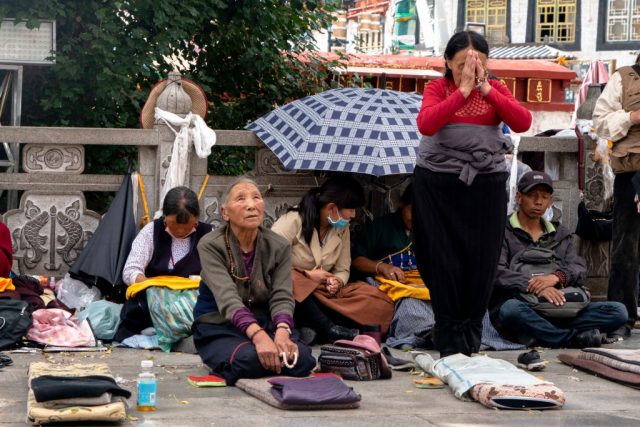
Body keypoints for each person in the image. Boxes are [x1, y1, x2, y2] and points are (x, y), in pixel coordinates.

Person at [413, 30, 532, 357]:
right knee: (441, 260)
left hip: (485, 187)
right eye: (462, 63)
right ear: (448, 62)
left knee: (480, 262)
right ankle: (448, 339)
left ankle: (470, 341)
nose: (469, 68)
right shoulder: (438, 88)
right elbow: (427, 124)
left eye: (476, 62)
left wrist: (485, 90)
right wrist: (463, 91)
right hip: (438, 186)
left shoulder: (496, 89)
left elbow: (522, 122)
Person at [192, 178, 315, 385]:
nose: (251, 205)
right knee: (247, 360)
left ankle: (270, 354)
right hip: (221, 324)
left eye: (256, 198)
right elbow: (228, 299)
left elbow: (282, 294)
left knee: (302, 359)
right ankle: (259, 356)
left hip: (266, 323)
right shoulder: (210, 245)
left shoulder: (279, 246)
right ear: (225, 213)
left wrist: (283, 332)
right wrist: (259, 338)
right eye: (241, 199)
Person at [491, 171, 627, 348]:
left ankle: (543, 333)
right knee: (509, 310)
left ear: (550, 202)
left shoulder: (560, 234)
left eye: (544, 197)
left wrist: (556, 278)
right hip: (526, 306)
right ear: (518, 197)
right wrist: (534, 286)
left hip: (562, 306)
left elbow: (578, 267)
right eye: (532, 196)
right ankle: (571, 338)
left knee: (618, 312)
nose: (538, 202)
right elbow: (497, 272)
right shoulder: (503, 231)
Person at [271, 175, 394, 344]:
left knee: (378, 300)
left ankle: (312, 327)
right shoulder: (292, 221)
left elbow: (343, 268)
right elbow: (269, 263)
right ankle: (329, 329)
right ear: (331, 208)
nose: (354, 214)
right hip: (296, 292)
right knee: (291, 279)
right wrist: (307, 275)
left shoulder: (341, 228)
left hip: (325, 294)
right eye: (351, 209)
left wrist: (338, 281)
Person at [114, 186, 213, 341]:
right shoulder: (151, 231)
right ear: (164, 216)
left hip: (191, 302)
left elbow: (221, 274)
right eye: (174, 225)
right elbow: (131, 270)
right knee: (137, 308)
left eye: (187, 227)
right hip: (153, 301)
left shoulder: (209, 235)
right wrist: (156, 291)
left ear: (197, 219)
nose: (180, 231)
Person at [592, 53, 640, 340]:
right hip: (633, 173)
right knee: (626, 248)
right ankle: (620, 316)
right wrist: (633, 116)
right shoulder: (624, 77)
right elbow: (600, 122)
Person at [351, 184, 432, 348]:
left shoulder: (429, 229)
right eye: (412, 212)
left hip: (420, 282)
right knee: (410, 302)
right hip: (389, 284)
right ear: (402, 204)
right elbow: (357, 260)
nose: (416, 219)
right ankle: (423, 334)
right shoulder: (380, 227)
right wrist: (382, 267)